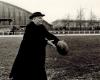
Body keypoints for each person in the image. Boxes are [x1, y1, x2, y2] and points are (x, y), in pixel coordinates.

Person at [9, 12, 61, 80]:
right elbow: (32, 40)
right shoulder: (29, 27)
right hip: (27, 54)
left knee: (39, 69)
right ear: (34, 19)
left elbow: (48, 35)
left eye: (42, 18)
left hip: (39, 53)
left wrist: (58, 41)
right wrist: (46, 42)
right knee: (25, 71)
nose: (41, 19)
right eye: (39, 18)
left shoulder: (41, 27)